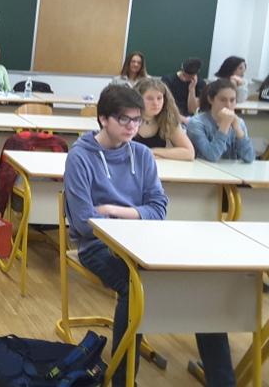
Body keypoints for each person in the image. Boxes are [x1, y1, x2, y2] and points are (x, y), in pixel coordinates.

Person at [64, 84, 235, 387]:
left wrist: (115, 211)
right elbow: (84, 222)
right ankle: (123, 380)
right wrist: (133, 214)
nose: (132, 126)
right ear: (103, 118)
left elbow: (159, 209)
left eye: (137, 120)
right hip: (98, 245)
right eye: (124, 119)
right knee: (135, 287)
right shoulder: (80, 157)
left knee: (202, 281)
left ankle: (223, 382)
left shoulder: (142, 155)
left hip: (145, 241)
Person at [187, 78, 255, 162]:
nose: (228, 105)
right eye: (223, 100)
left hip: (229, 169)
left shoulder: (239, 123)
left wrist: (237, 128)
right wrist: (225, 124)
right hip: (203, 168)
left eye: (232, 100)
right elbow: (212, 156)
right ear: (211, 100)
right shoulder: (196, 123)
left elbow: (249, 157)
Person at [132, 78, 194, 160]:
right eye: (149, 98)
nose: (155, 103)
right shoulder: (125, 120)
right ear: (137, 99)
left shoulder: (168, 119)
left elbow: (189, 153)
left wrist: (150, 152)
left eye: (159, 98)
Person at [161, 57, 206, 123]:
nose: (185, 78)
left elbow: (192, 110)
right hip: (170, 115)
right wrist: (181, 118)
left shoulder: (200, 84)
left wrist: (192, 89)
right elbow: (165, 105)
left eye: (189, 77)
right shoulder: (167, 80)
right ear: (182, 67)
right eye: (184, 75)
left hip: (189, 118)